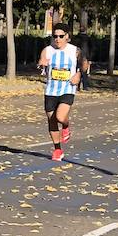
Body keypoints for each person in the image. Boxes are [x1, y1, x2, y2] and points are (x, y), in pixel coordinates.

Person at [40, 22, 83, 161]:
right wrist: (41, 64)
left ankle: (65, 125)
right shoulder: (48, 50)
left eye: (61, 36)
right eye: (55, 36)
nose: (57, 39)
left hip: (67, 89)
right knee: (52, 121)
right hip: (51, 90)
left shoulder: (75, 50)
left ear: (67, 37)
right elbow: (41, 61)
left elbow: (84, 64)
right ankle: (57, 150)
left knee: (60, 117)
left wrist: (79, 74)